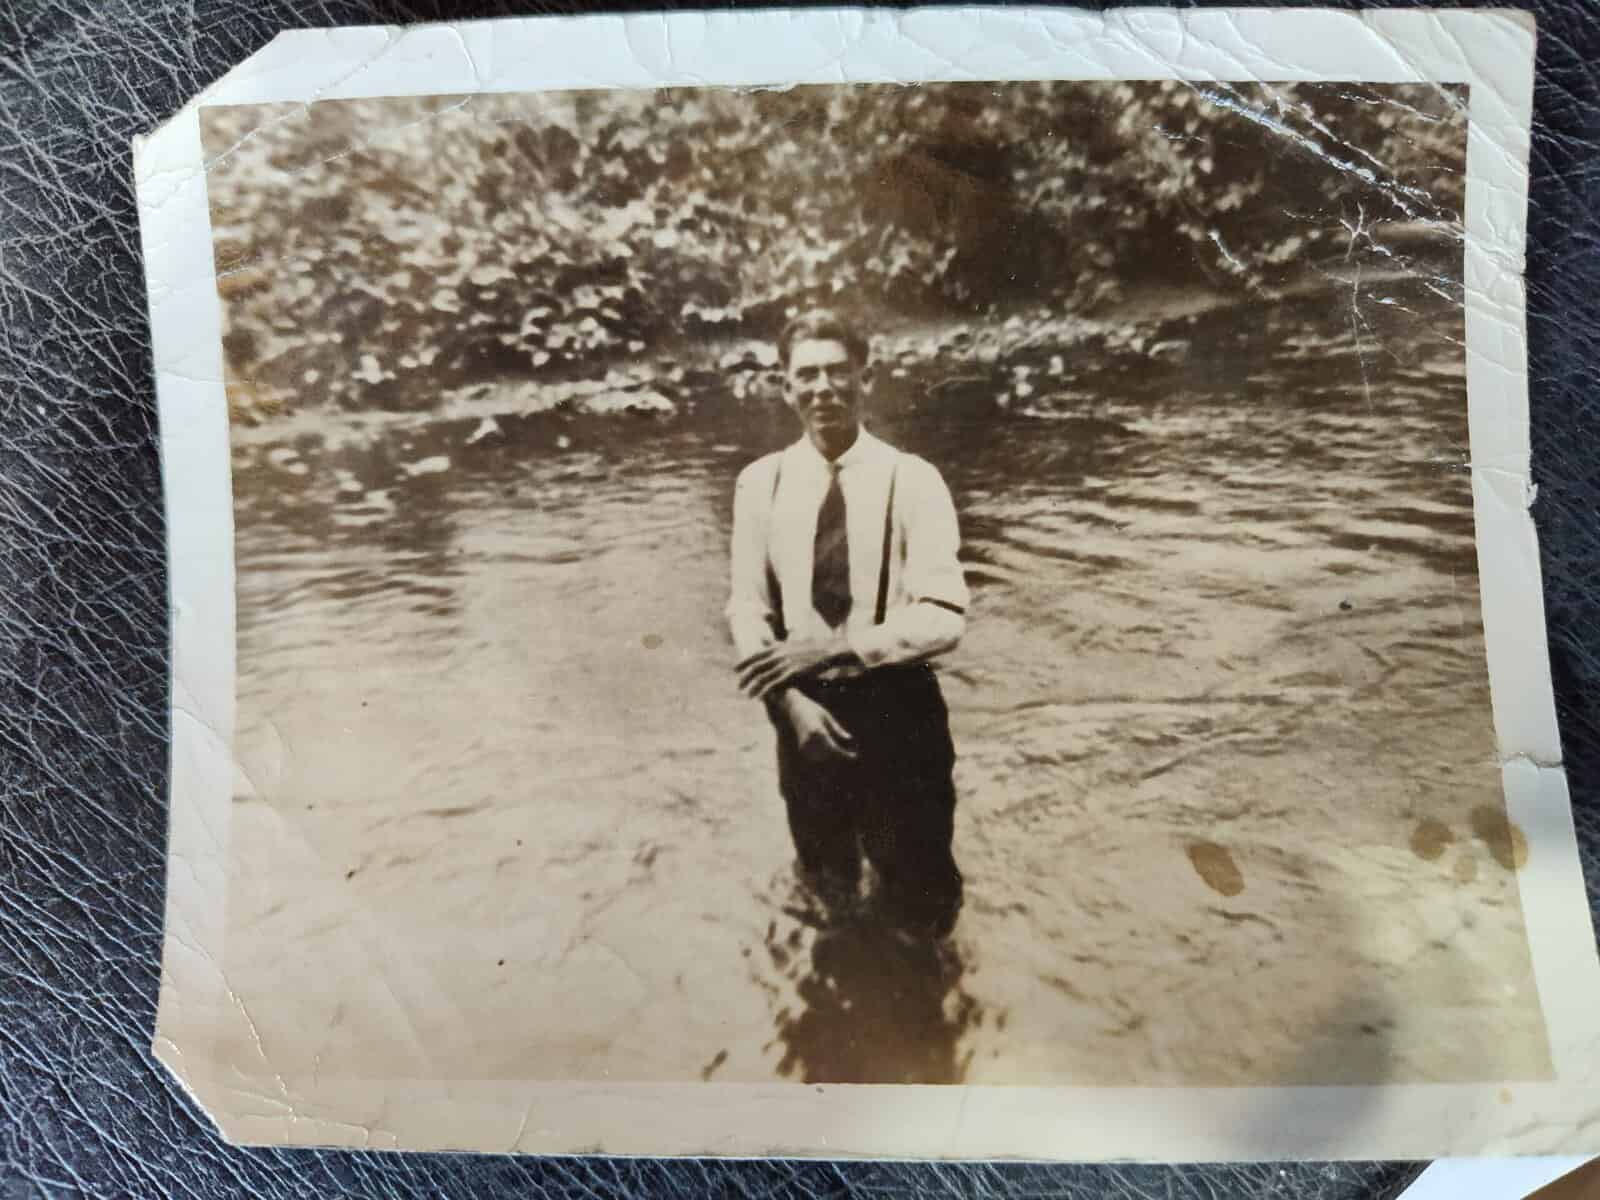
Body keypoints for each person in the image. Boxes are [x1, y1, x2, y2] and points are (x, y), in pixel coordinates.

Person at [726, 309, 969, 939]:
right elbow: (746, 609)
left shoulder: (912, 481)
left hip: (899, 707)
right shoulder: (760, 484)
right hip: (803, 714)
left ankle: (933, 1013)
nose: (822, 388)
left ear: (867, 378)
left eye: (838, 372)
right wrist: (790, 704)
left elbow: (945, 615)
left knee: (924, 898)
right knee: (827, 886)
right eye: (806, 374)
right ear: (785, 386)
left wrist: (835, 650)